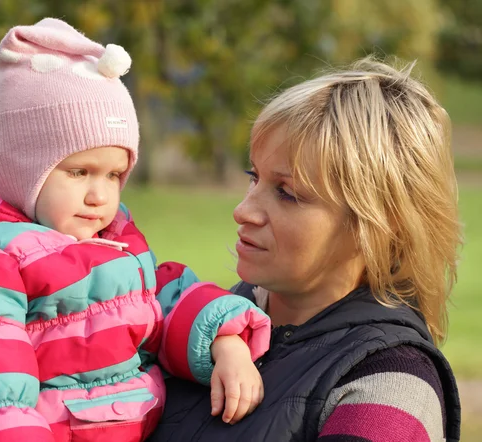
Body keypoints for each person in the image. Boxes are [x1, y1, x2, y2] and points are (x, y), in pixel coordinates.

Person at [0, 18, 271, 442]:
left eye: (115, 175)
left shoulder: (110, 236)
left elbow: (158, 301)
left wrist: (224, 341)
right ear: (20, 168)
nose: (100, 195)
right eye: (79, 172)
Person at [148, 58, 462, 442]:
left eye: (287, 193)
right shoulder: (209, 322)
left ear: (379, 222)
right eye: (254, 177)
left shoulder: (391, 386)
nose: (243, 210)